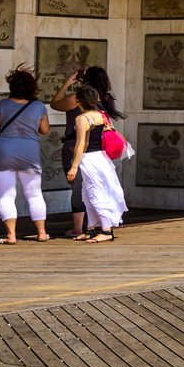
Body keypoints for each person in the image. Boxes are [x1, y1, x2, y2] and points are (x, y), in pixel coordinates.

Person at [50, 65, 119, 239]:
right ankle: (92, 228)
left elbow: (55, 103)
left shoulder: (76, 100)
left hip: (77, 147)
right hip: (100, 151)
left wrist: (67, 83)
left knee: (81, 190)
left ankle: (81, 228)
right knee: (91, 190)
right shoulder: (106, 99)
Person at [0, 67, 51, 244]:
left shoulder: (3, 104)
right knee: (35, 194)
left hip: (4, 152)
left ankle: (11, 236)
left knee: (6, 195)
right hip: (29, 153)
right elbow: (45, 130)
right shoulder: (38, 106)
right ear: (32, 88)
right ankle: (42, 233)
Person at [64, 83, 126, 242]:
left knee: (95, 193)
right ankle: (91, 229)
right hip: (102, 158)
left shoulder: (81, 118)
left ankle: (106, 231)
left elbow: (81, 144)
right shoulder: (103, 115)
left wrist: (74, 166)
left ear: (78, 101)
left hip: (89, 160)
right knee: (88, 193)